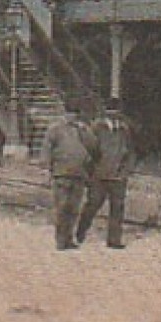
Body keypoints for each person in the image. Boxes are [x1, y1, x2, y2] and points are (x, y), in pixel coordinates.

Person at [76, 98, 136, 249]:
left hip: (118, 176)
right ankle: (81, 231)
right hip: (99, 175)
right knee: (93, 204)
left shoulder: (124, 129)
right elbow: (89, 150)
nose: (114, 116)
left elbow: (130, 151)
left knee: (117, 208)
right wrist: (90, 171)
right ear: (105, 113)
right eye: (110, 112)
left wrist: (127, 169)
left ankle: (114, 240)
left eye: (116, 112)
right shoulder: (97, 128)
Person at [41, 100, 98, 251]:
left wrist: (86, 131)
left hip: (79, 174)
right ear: (64, 113)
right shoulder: (56, 129)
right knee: (62, 207)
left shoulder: (83, 130)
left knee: (74, 208)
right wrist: (46, 170)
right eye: (70, 113)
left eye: (75, 114)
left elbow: (93, 146)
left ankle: (69, 238)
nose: (72, 117)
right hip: (61, 173)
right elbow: (47, 150)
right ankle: (60, 240)